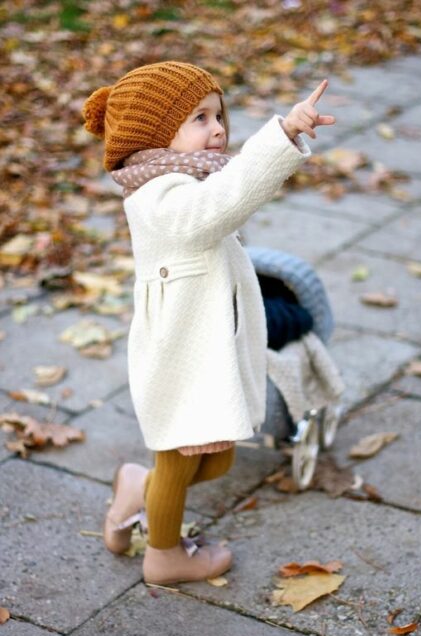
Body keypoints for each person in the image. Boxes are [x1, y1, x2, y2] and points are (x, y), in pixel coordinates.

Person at [82, 61, 335, 586]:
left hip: (205, 350)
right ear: (157, 134)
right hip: (180, 355)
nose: (218, 128)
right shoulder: (158, 197)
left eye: (218, 114)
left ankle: (134, 488)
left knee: (216, 462)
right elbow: (226, 203)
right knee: (178, 461)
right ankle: (165, 554)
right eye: (199, 117)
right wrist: (283, 135)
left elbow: (223, 201)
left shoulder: (187, 180)